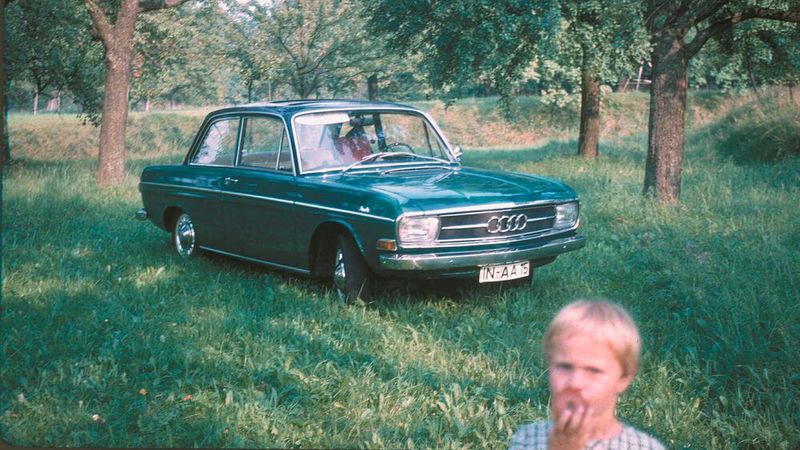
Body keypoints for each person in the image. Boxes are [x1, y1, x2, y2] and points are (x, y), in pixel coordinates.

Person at [509, 300, 666, 450]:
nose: (575, 383)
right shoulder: (527, 438)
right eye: (564, 366)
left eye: (593, 370)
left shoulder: (645, 447)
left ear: (623, 379)